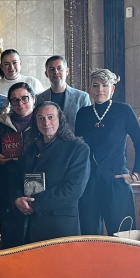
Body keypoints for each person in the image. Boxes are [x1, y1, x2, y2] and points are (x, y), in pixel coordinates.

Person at [76, 69, 140, 236]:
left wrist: (135, 174)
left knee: (122, 236)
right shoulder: (83, 113)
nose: (100, 89)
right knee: (90, 236)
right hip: (89, 182)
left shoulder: (124, 110)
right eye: (96, 85)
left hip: (116, 180)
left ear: (112, 89)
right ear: (89, 89)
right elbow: (77, 148)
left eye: (105, 85)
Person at [14, 101, 91, 244]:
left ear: (60, 120)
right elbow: (17, 178)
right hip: (31, 223)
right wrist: (18, 199)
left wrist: (35, 204)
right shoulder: (30, 148)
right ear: (35, 122)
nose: (46, 122)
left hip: (61, 224)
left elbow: (73, 189)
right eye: (41, 118)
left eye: (50, 117)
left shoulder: (77, 148)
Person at [0, 82, 37, 249]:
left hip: (37, 187)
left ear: (33, 99)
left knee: (35, 238)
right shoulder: (0, 125)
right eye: (15, 100)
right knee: (10, 238)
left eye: (24, 98)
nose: (20, 103)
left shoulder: (43, 123)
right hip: (8, 186)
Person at [36, 56, 91, 133]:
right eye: (51, 69)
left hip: (74, 143)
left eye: (59, 68)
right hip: (48, 143)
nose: (56, 72)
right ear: (46, 74)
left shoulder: (82, 97)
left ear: (67, 71)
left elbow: (87, 125)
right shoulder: (39, 98)